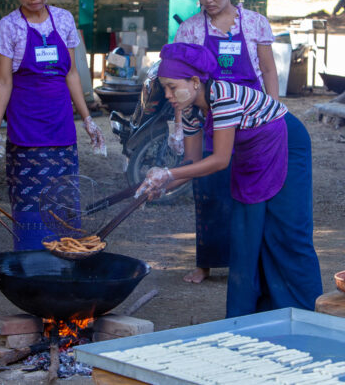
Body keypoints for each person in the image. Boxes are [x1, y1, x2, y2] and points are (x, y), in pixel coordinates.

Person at [137, 43, 322, 318]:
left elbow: (221, 160)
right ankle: (254, 313)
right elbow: (191, 163)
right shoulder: (190, 110)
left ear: (195, 82)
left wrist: (169, 174)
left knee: (287, 228)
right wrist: (161, 185)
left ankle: (305, 310)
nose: (168, 95)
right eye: (164, 88)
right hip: (252, 152)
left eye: (172, 87)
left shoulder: (223, 97)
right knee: (248, 230)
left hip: (286, 141)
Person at [0, 0, 106, 250]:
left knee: (63, 191)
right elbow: (3, 82)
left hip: (61, 121)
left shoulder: (63, 19)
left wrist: (88, 120)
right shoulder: (8, 26)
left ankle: (65, 253)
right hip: (26, 121)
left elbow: (72, 73)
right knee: (29, 193)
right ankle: (31, 254)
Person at [173, 0, 279, 284]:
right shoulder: (190, 29)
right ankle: (205, 263)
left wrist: (273, 111)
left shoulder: (255, 23)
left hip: (252, 120)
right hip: (211, 119)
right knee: (210, 191)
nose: (209, 0)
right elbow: (182, 81)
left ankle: (249, 262)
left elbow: (268, 70)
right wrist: (181, 124)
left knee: (249, 192)